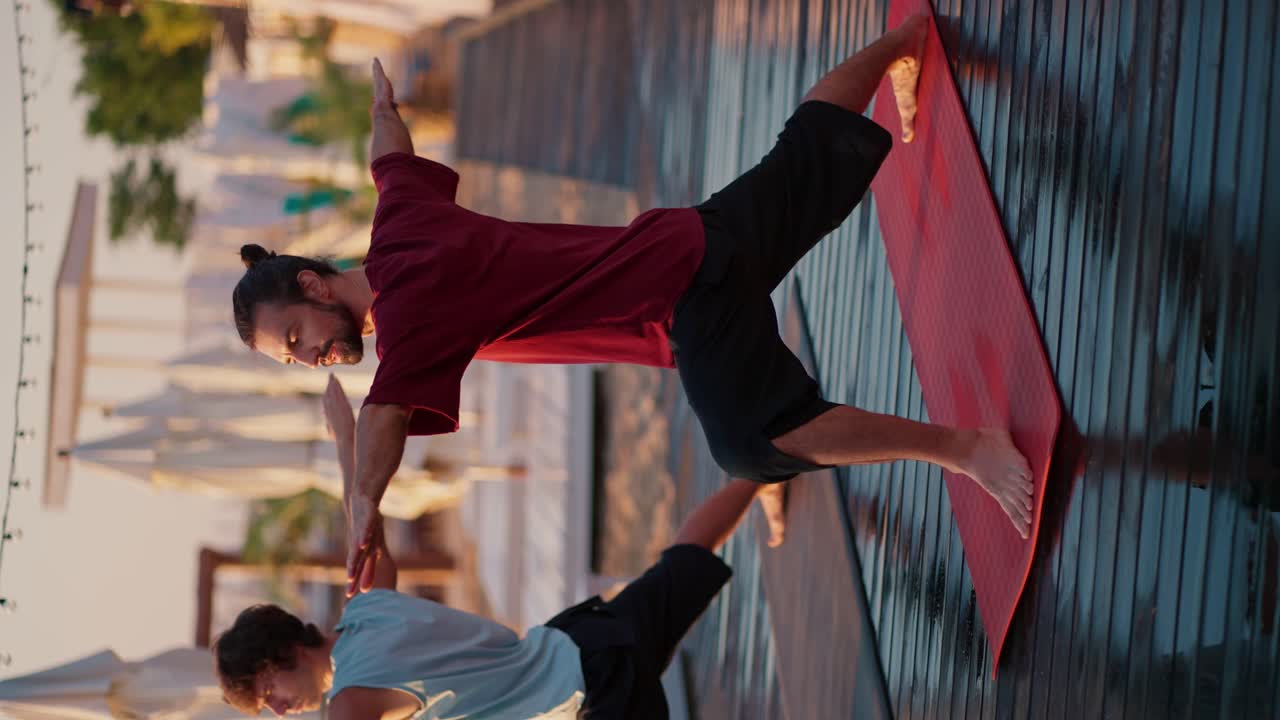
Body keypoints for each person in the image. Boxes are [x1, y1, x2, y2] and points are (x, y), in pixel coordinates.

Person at [229, 16, 1035, 594]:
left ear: (313, 284)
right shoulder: (398, 226)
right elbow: (390, 156)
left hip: (684, 293)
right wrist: (380, 104)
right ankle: (904, 42)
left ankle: (963, 447)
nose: (310, 357)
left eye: (297, 336)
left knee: (756, 441)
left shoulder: (411, 311)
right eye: (292, 358)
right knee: (803, 156)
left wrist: (363, 502)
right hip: (681, 247)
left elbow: (383, 421)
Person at [212, 374, 782, 719]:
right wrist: (343, 438)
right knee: (688, 552)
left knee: (688, 555)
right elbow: (363, 521)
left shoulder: (352, 701)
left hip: (592, 699)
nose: (281, 709)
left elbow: (362, 522)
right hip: (581, 640)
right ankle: (770, 463)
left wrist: (346, 441)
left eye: (270, 692)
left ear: (282, 655)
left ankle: (772, 467)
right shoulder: (366, 608)